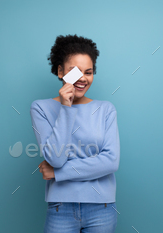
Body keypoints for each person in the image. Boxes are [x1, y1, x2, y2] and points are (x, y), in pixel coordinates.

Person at [30, 34, 120, 233]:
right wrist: (66, 108)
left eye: (88, 72)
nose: (82, 78)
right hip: (60, 207)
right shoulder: (41, 108)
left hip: (102, 208)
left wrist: (58, 173)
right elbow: (56, 157)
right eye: (75, 71)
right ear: (60, 71)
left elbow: (111, 162)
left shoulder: (106, 109)